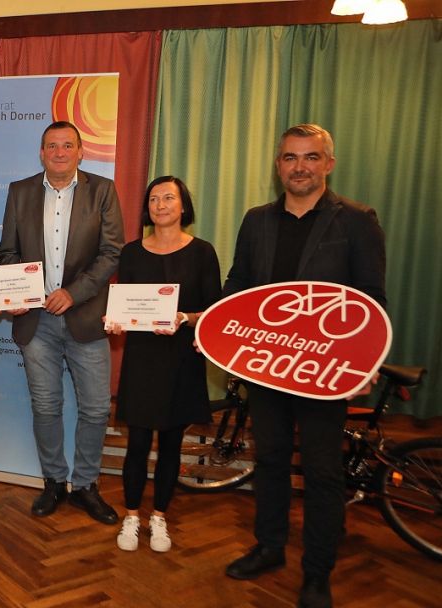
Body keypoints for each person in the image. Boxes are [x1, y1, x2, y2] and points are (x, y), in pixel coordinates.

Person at [221, 124, 386, 608]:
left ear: (328, 164)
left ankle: (317, 572)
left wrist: (365, 361)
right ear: (278, 165)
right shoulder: (256, 220)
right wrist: (219, 337)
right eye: (290, 157)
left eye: (311, 157)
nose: (300, 167)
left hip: (323, 372)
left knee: (322, 472)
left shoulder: (357, 220)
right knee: (270, 460)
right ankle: (269, 548)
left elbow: (370, 299)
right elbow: (239, 285)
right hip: (266, 366)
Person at [0, 120, 125, 524]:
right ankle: (54, 481)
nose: (59, 152)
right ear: (41, 153)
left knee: (96, 408)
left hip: (86, 317)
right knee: (46, 405)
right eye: (51, 145)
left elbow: (111, 252)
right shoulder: (20, 192)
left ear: (80, 151)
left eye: (67, 145)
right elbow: (8, 253)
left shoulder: (102, 190)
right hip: (37, 322)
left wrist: (73, 292)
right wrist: (23, 293)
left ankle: (85, 485)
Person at [106, 176, 221, 552]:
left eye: (168, 198)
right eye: (153, 199)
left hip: (181, 359)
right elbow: (124, 303)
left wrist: (184, 318)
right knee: (137, 444)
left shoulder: (202, 252)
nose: (160, 205)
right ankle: (131, 516)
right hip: (142, 359)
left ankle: (159, 518)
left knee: (171, 444)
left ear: (183, 205)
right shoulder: (132, 253)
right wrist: (116, 320)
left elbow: (214, 311)